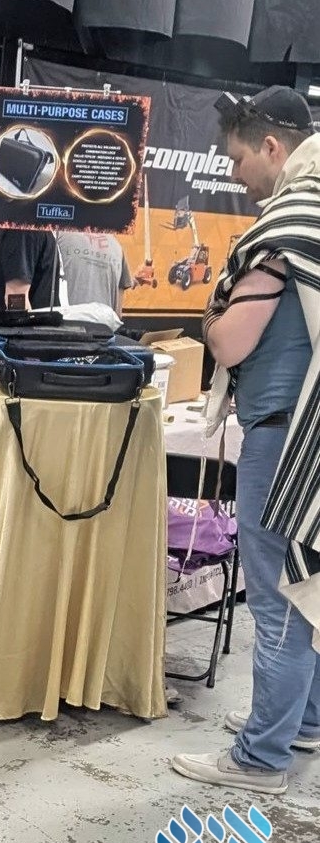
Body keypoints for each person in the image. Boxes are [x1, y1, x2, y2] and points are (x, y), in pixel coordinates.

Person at [172, 85, 320, 795]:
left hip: (284, 434)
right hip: (310, 431)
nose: (235, 175)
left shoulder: (284, 224)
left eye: (237, 160)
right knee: (309, 581)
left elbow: (230, 342)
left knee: (276, 593)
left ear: (271, 146)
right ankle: (303, 721)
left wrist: (209, 318)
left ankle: (260, 758)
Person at [0, 228, 62, 315]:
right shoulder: (23, 231)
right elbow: (16, 296)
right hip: (28, 322)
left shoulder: (24, 231)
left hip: (33, 320)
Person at [55, 230, 133, 313]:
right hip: (105, 319)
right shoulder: (116, 245)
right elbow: (118, 313)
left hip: (66, 318)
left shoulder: (56, 236)